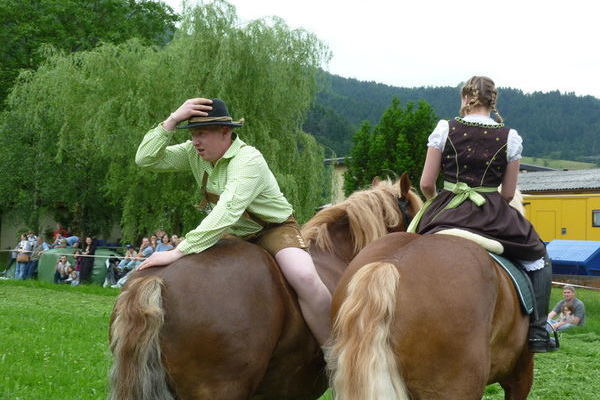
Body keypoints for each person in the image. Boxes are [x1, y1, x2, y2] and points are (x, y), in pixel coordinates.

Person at [134, 97, 331, 345]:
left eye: (202, 133)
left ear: (225, 132)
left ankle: (333, 352)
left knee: (304, 277)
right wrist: (173, 119)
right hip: (234, 234)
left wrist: (178, 251)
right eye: (193, 133)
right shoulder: (193, 153)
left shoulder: (249, 160)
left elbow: (227, 210)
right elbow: (145, 159)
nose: (195, 141)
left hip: (272, 230)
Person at [408, 76, 556, 352]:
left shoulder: (444, 128)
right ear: (493, 101)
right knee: (538, 256)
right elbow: (509, 194)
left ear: (465, 98)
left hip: (446, 209)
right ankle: (537, 330)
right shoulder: (510, 137)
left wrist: (436, 203)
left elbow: (427, 183)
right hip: (490, 212)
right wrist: (491, 207)